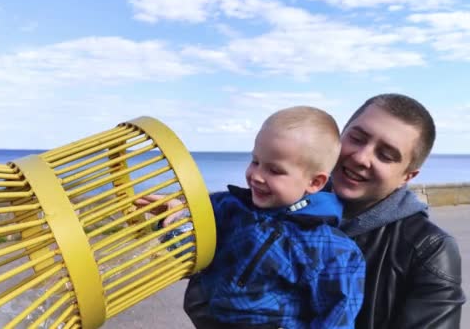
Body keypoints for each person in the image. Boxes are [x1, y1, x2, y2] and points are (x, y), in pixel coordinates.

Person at [137, 106, 365, 328]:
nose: (256, 176)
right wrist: (177, 221)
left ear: (315, 182)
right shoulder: (228, 207)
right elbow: (189, 252)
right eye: (255, 161)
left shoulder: (334, 250)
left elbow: (337, 316)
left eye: (274, 170)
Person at [330, 93, 465, 328]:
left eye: (385, 155)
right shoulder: (278, 209)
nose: (362, 158)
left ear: (407, 176)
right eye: (357, 138)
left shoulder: (429, 248)